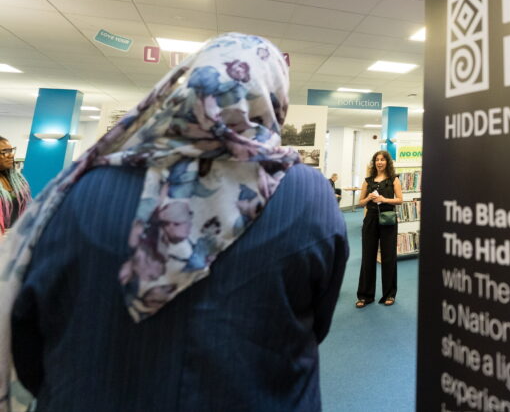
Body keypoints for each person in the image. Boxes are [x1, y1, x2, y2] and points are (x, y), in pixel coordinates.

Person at [0, 33, 348, 412]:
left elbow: (31, 329)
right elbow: (317, 319)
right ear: (273, 99)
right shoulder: (307, 195)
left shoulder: (82, 187)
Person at [355, 150, 402, 308]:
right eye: (377, 160)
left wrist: (384, 199)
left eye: (382, 159)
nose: (379, 162)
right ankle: (365, 296)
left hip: (388, 220)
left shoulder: (394, 180)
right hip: (370, 220)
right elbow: (360, 202)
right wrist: (368, 198)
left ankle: (389, 294)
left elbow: (400, 200)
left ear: (387, 162)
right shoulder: (367, 181)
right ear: (374, 163)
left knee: (389, 257)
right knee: (368, 256)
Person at [0, 138, 29, 235]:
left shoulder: (18, 181)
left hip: (16, 235)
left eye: (11, 150)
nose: (11, 155)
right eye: (5, 152)